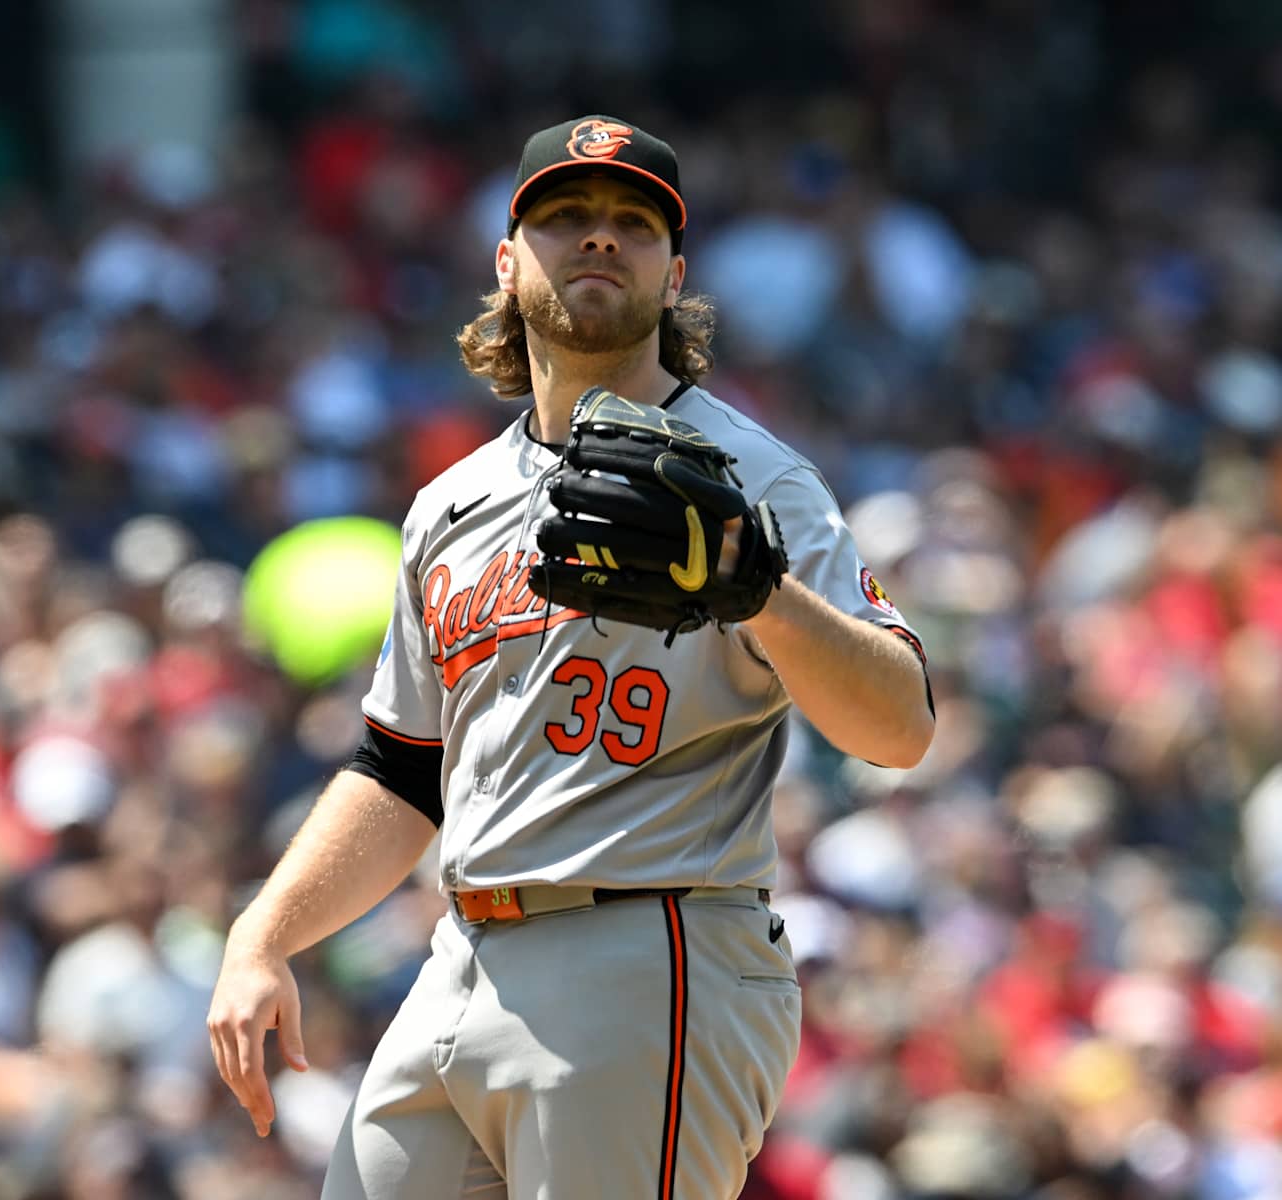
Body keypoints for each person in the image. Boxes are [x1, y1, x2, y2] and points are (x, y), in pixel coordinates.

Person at [208, 115, 937, 1199]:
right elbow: (403, 769)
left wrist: (757, 591)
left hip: (650, 946)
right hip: (461, 958)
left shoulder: (751, 476)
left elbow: (902, 724)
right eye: (566, 216)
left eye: (632, 224)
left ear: (674, 273)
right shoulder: (446, 506)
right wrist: (262, 934)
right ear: (507, 262)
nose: (600, 238)